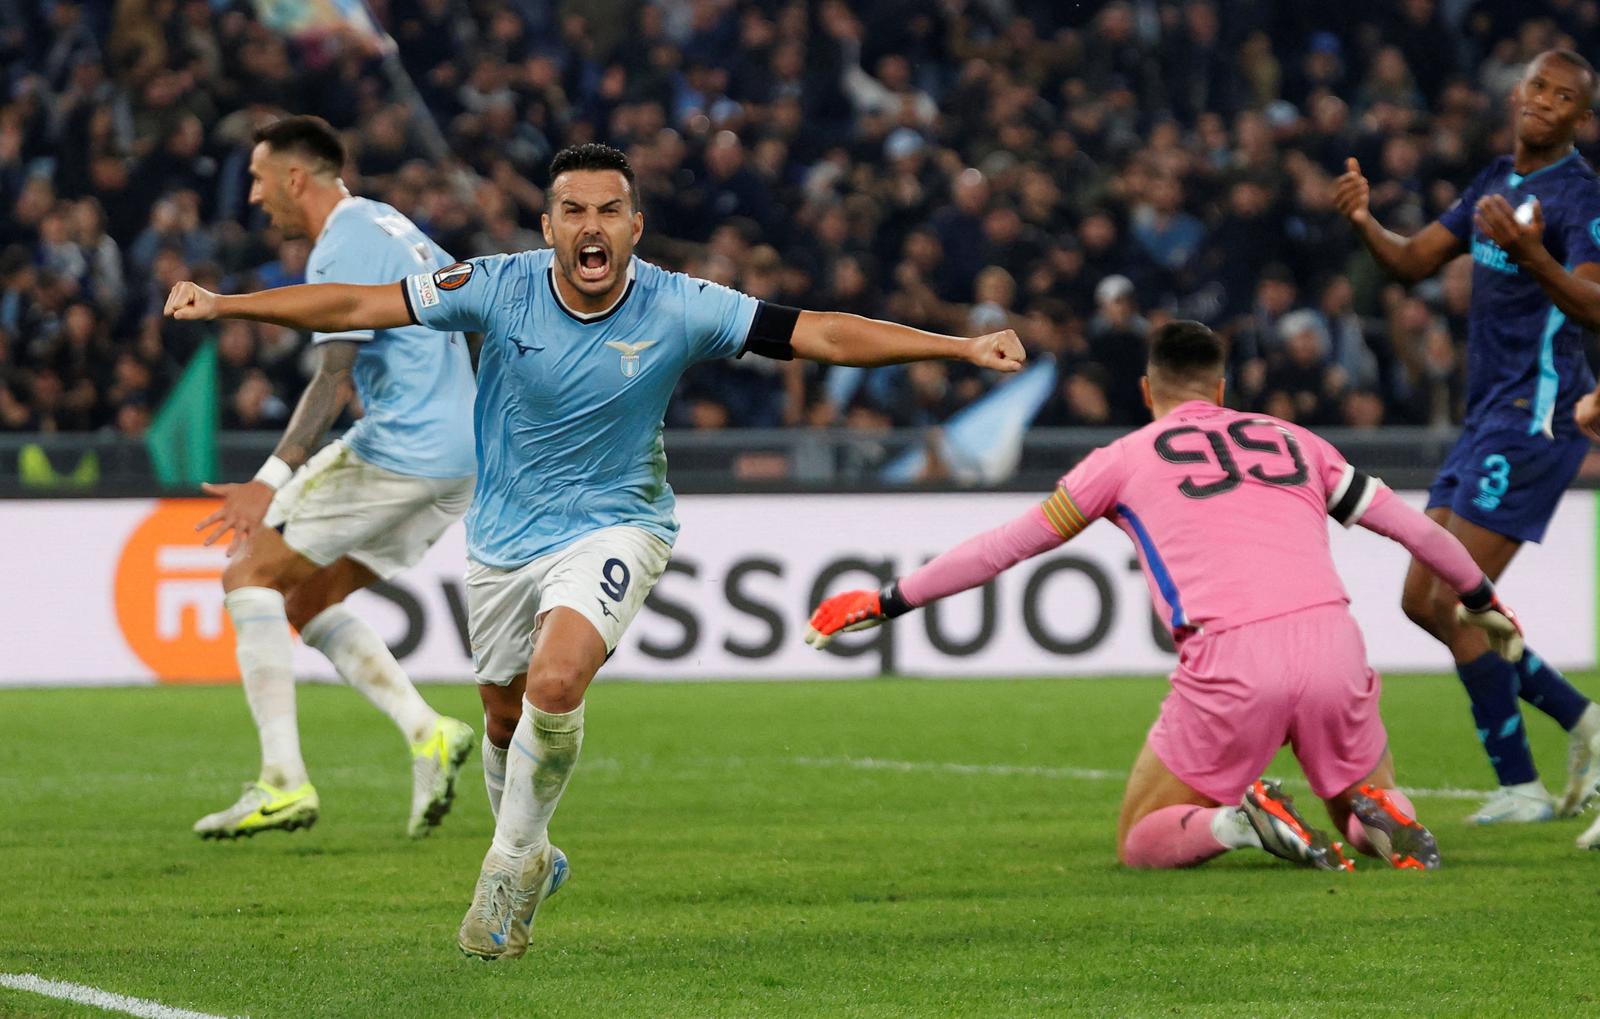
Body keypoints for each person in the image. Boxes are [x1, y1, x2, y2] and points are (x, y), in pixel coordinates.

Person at [164, 143, 1026, 958]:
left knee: (555, 680)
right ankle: (533, 852)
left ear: (635, 226)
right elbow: (356, 305)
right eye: (573, 210)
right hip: (503, 538)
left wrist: (957, 346)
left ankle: (506, 870)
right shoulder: (495, 286)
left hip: (620, 523)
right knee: (503, 716)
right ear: (548, 227)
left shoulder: (681, 302)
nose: (592, 226)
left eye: (610, 210)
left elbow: (823, 334)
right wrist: (229, 304)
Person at [805, 320, 1525, 873]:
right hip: (1332, 641)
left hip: (1233, 658)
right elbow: (1410, 525)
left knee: (1140, 836)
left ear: (1149, 393)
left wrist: (891, 598)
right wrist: (1482, 595)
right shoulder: (1297, 441)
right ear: (1221, 391)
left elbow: (1006, 546)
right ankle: (1386, 815)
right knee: (1358, 797)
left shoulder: (1119, 461)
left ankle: (1239, 823)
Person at [189, 116, 477, 841]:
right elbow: (469, 318)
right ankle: (428, 730)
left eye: (258, 179)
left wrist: (268, 478)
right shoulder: (394, 225)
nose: (255, 197)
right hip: (462, 457)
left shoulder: (342, 242)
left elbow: (333, 378)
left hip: (400, 448)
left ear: (295, 177)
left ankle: (282, 782)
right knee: (309, 595)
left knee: (245, 571)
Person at [1334, 49, 1600, 826]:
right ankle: (1574, 727)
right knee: (1425, 600)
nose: (1543, 102)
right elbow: (1412, 262)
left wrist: (1532, 256)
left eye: (1563, 97)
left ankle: (1524, 777)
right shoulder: (1494, 180)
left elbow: (1593, 303)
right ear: (1520, 92)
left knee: (1451, 595)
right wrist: (1360, 218)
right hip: (1485, 416)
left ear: (1581, 118)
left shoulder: (1580, 195)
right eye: (1537, 87)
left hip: (1537, 416)